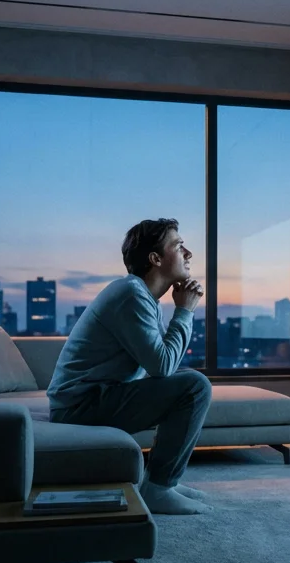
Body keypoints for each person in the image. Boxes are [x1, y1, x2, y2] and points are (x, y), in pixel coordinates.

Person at [48, 218, 212, 515]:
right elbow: (162, 366)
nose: (188, 254)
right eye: (178, 245)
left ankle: (163, 484)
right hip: (79, 407)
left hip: (94, 398)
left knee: (188, 382)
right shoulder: (131, 294)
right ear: (155, 258)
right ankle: (158, 489)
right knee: (195, 387)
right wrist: (185, 311)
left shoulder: (142, 297)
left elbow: (161, 365)